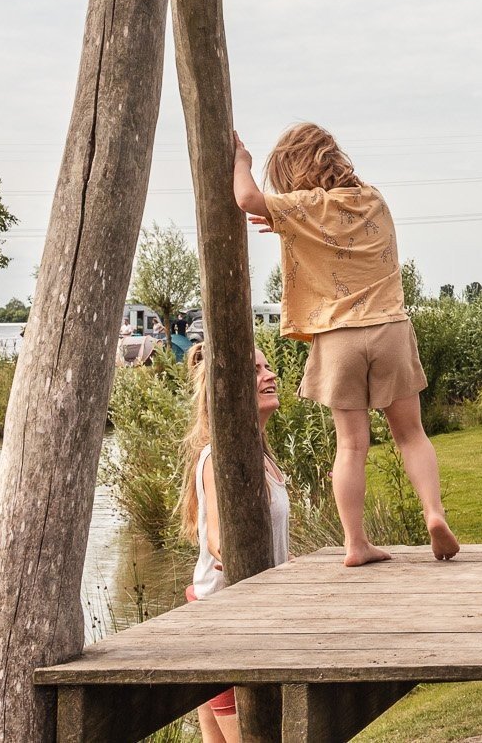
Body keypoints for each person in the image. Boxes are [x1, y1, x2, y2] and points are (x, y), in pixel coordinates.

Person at [232, 123, 460, 564]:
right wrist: (289, 224)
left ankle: (356, 543)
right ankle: (434, 513)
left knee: (351, 445)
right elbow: (344, 237)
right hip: (390, 329)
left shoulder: (305, 208)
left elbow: (246, 199)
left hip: (338, 338)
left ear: (292, 171)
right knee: (411, 434)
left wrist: (242, 162)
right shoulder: (373, 199)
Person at [179, 343, 293, 743]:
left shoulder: (262, 456)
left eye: (268, 367)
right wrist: (231, 554)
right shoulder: (219, 457)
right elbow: (217, 538)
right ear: (227, 389)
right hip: (222, 624)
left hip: (247, 619)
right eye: (256, 370)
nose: (270, 375)